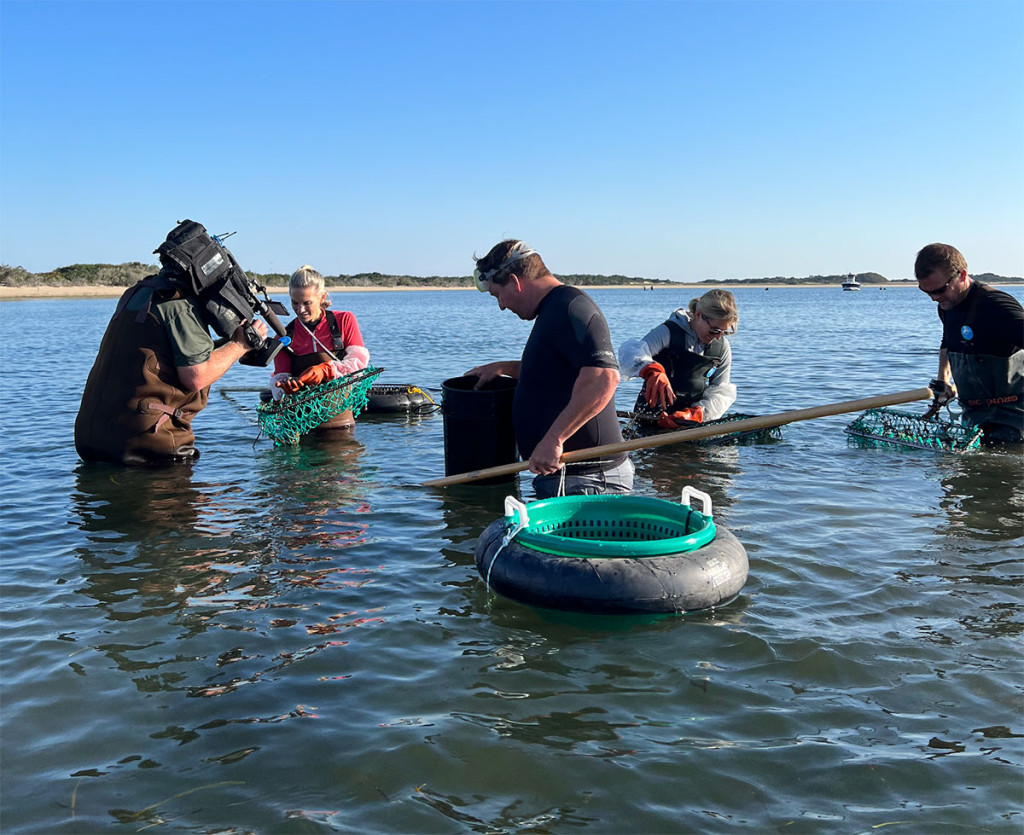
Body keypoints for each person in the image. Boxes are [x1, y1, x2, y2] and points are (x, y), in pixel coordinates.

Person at [75, 228, 269, 466]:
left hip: (91, 439)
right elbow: (196, 376)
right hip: (145, 445)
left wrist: (226, 344)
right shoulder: (177, 305)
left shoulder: (138, 292)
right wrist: (241, 344)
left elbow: (166, 353)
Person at [465, 239, 633, 499]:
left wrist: (554, 439)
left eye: (497, 294)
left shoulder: (570, 308)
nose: (501, 305)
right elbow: (557, 373)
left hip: (588, 478)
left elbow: (605, 378)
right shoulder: (553, 310)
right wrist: (503, 368)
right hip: (568, 477)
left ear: (515, 281)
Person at [914, 243, 1023, 445]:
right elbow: (948, 342)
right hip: (975, 419)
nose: (934, 298)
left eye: (939, 290)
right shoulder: (947, 306)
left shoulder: (996, 306)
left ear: (962, 275)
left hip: (1014, 422)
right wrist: (943, 379)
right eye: (926, 292)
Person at [618, 289, 739, 429]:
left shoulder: (722, 347)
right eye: (715, 330)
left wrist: (698, 413)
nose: (718, 337)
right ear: (699, 315)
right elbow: (631, 351)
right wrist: (651, 370)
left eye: (725, 332)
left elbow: (721, 390)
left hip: (689, 425)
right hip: (649, 420)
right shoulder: (668, 332)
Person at [270, 265, 370, 433]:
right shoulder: (283, 336)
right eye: (295, 303)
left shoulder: (344, 320)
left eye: (307, 303)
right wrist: (285, 387)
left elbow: (359, 366)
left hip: (341, 424)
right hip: (299, 425)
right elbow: (280, 378)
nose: (300, 310)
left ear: (322, 297)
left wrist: (326, 370)